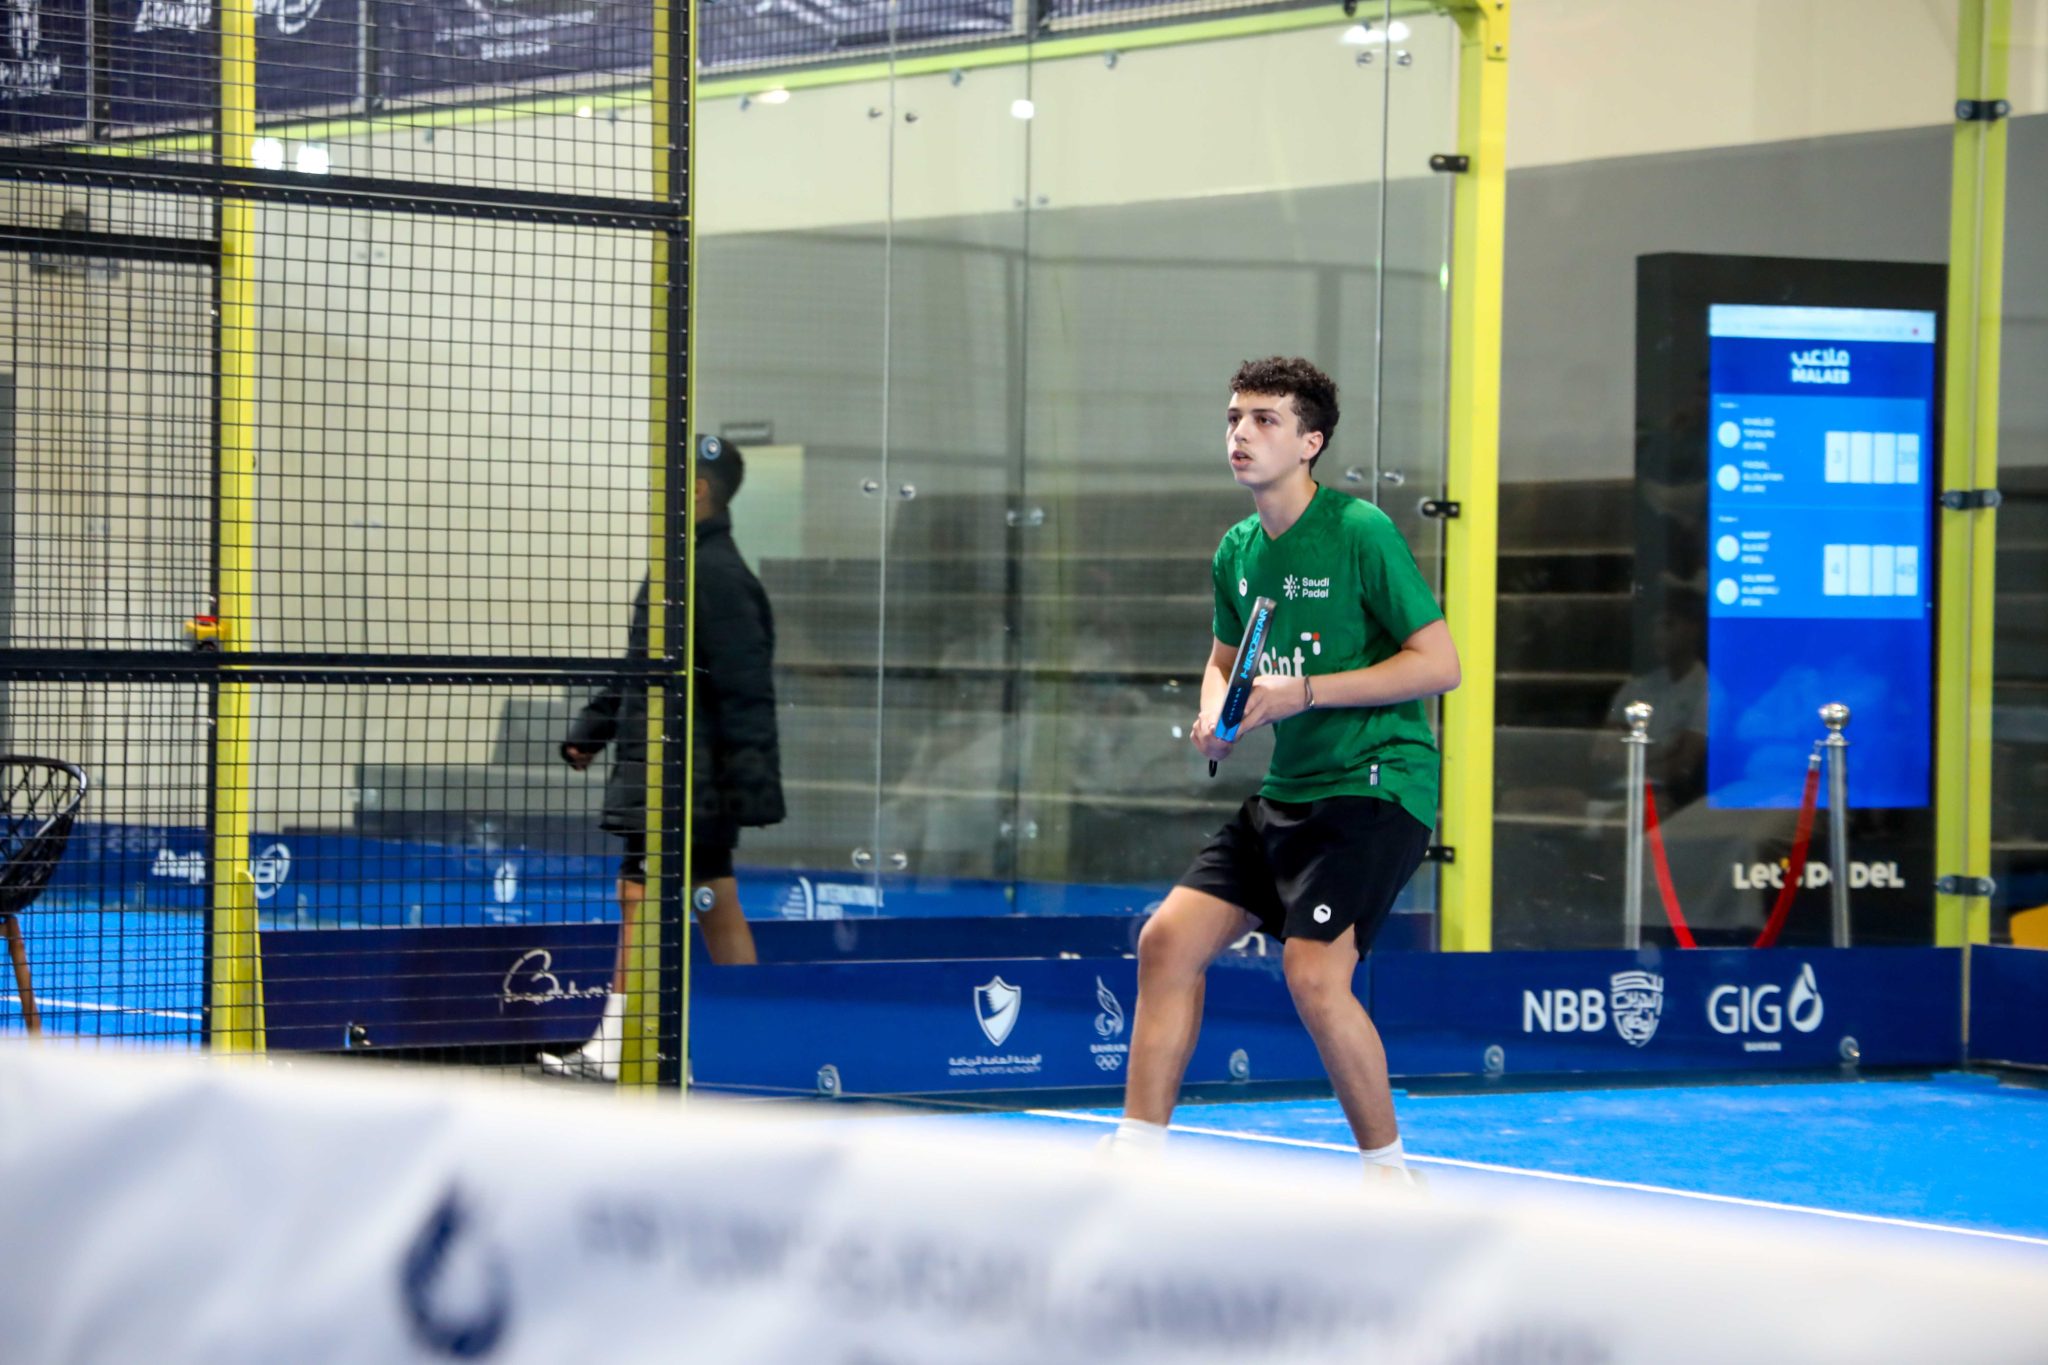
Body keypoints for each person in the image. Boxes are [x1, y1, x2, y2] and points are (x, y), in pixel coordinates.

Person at [1103, 357, 1459, 1186]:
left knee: (1314, 974)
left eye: (1265, 420)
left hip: (1375, 784)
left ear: (1310, 442)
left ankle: (1390, 1176)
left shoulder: (1360, 531)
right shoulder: (1236, 549)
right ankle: (1134, 1160)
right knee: (1166, 941)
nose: (1241, 433)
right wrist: (1215, 717)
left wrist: (1306, 691)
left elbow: (1441, 664)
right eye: (1235, 417)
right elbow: (1223, 660)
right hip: (1288, 793)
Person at [540, 437, 785, 1081]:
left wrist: (746, 791)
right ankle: (745, 1043)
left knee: (646, 895)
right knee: (707, 897)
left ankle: (622, 1048)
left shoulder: (715, 577)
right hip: (673, 777)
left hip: (684, 784)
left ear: (699, 490)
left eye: (669, 479)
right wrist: (594, 730)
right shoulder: (683, 569)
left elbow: (746, 692)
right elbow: (640, 669)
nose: (654, 492)